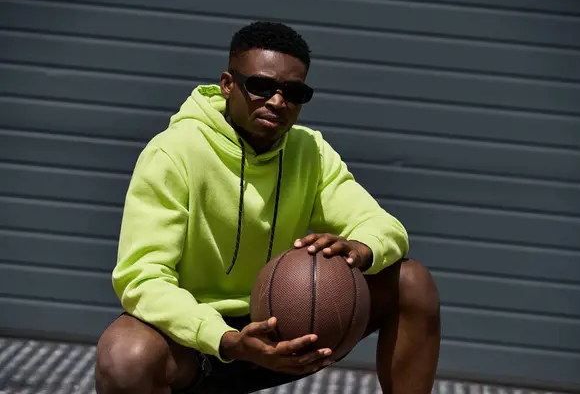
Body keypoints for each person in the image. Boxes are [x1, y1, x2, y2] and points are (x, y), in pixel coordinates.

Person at [94, 21, 440, 394]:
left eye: (294, 92)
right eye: (260, 86)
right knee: (125, 358)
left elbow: (384, 226)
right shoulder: (173, 153)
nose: (278, 101)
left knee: (411, 282)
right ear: (228, 84)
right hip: (199, 342)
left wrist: (361, 248)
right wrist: (224, 338)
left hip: (288, 325)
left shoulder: (309, 151)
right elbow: (141, 278)